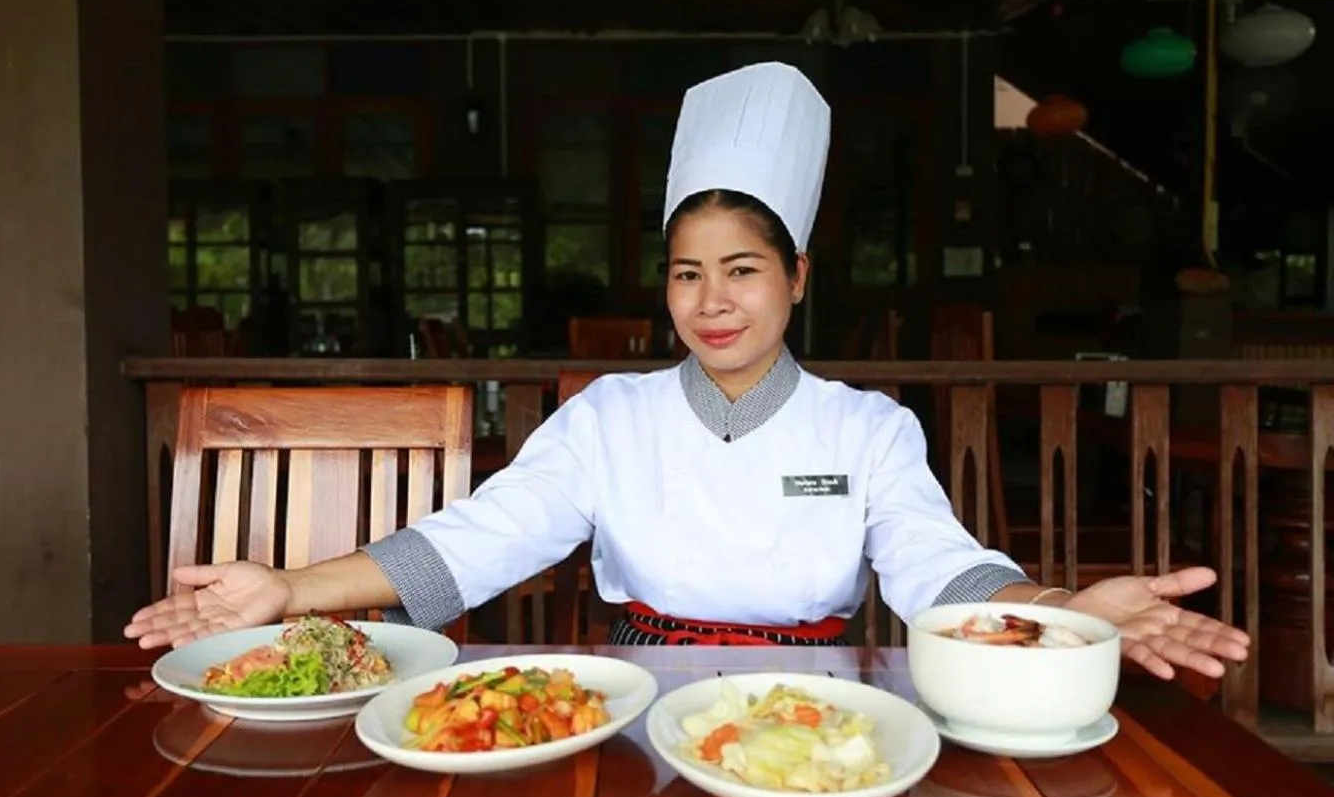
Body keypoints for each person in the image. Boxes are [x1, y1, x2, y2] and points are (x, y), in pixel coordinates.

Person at [127, 63, 1248, 682]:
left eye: (743, 270)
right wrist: (285, 586)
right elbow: (474, 540)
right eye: (685, 272)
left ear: (797, 276)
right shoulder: (605, 416)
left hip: (829, 700)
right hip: (628, 695)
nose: (711, 301)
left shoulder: (866, 427)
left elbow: (932, 569)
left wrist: (1056, 608)